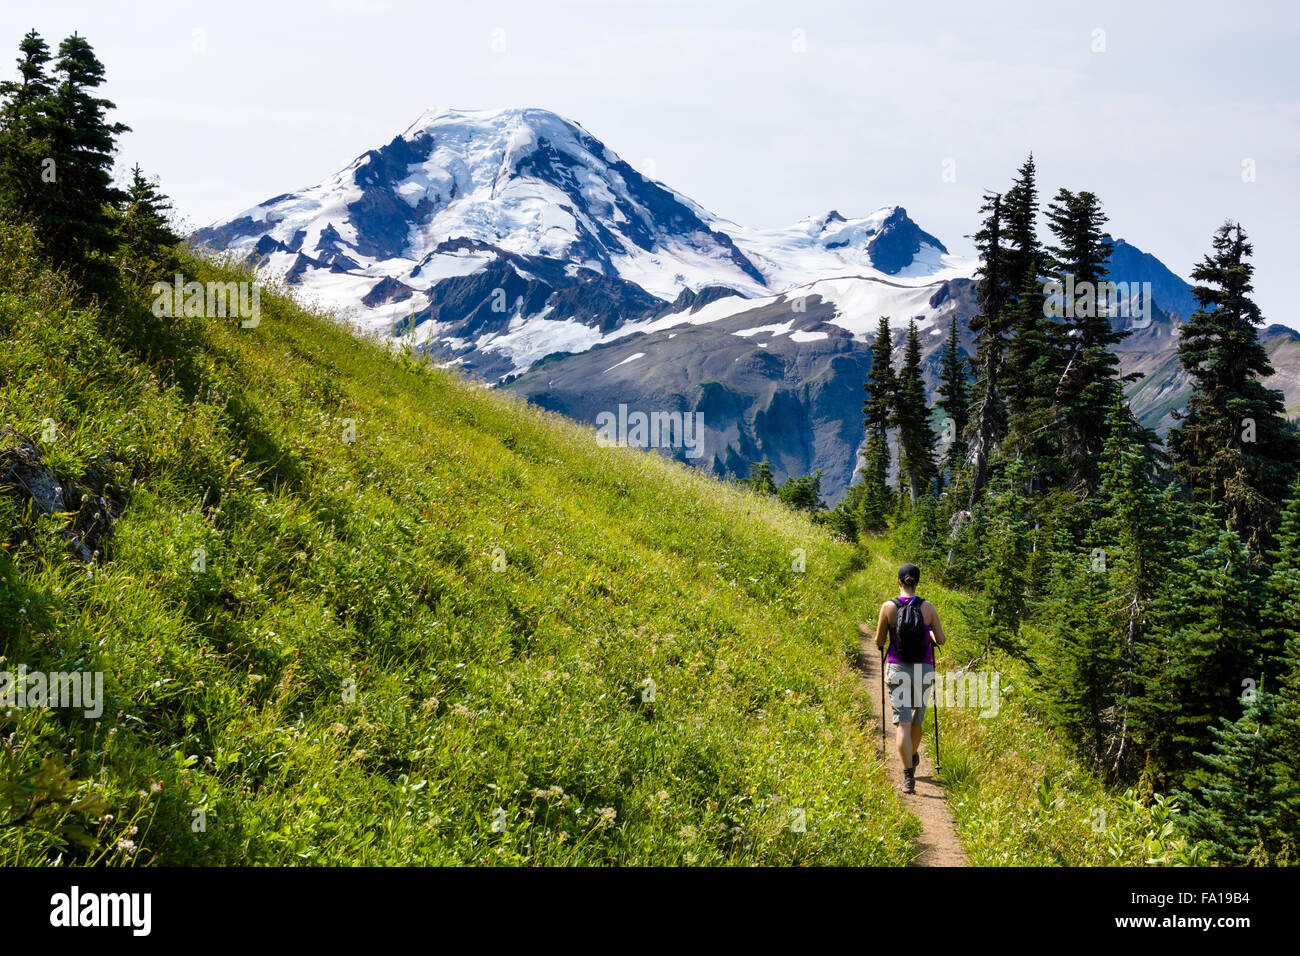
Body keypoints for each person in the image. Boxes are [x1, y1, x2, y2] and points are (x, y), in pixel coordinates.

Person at [874, 562, 946, 794]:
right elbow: (941, 640)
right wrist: (930, 632)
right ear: (917, 582)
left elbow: (879, 641)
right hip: (923, 670)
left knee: (902, 723)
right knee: (917, 719)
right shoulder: (928, 608)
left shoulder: (888, 607)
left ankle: (908, 778)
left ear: (899, 582)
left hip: (898, 668)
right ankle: (913, 755)